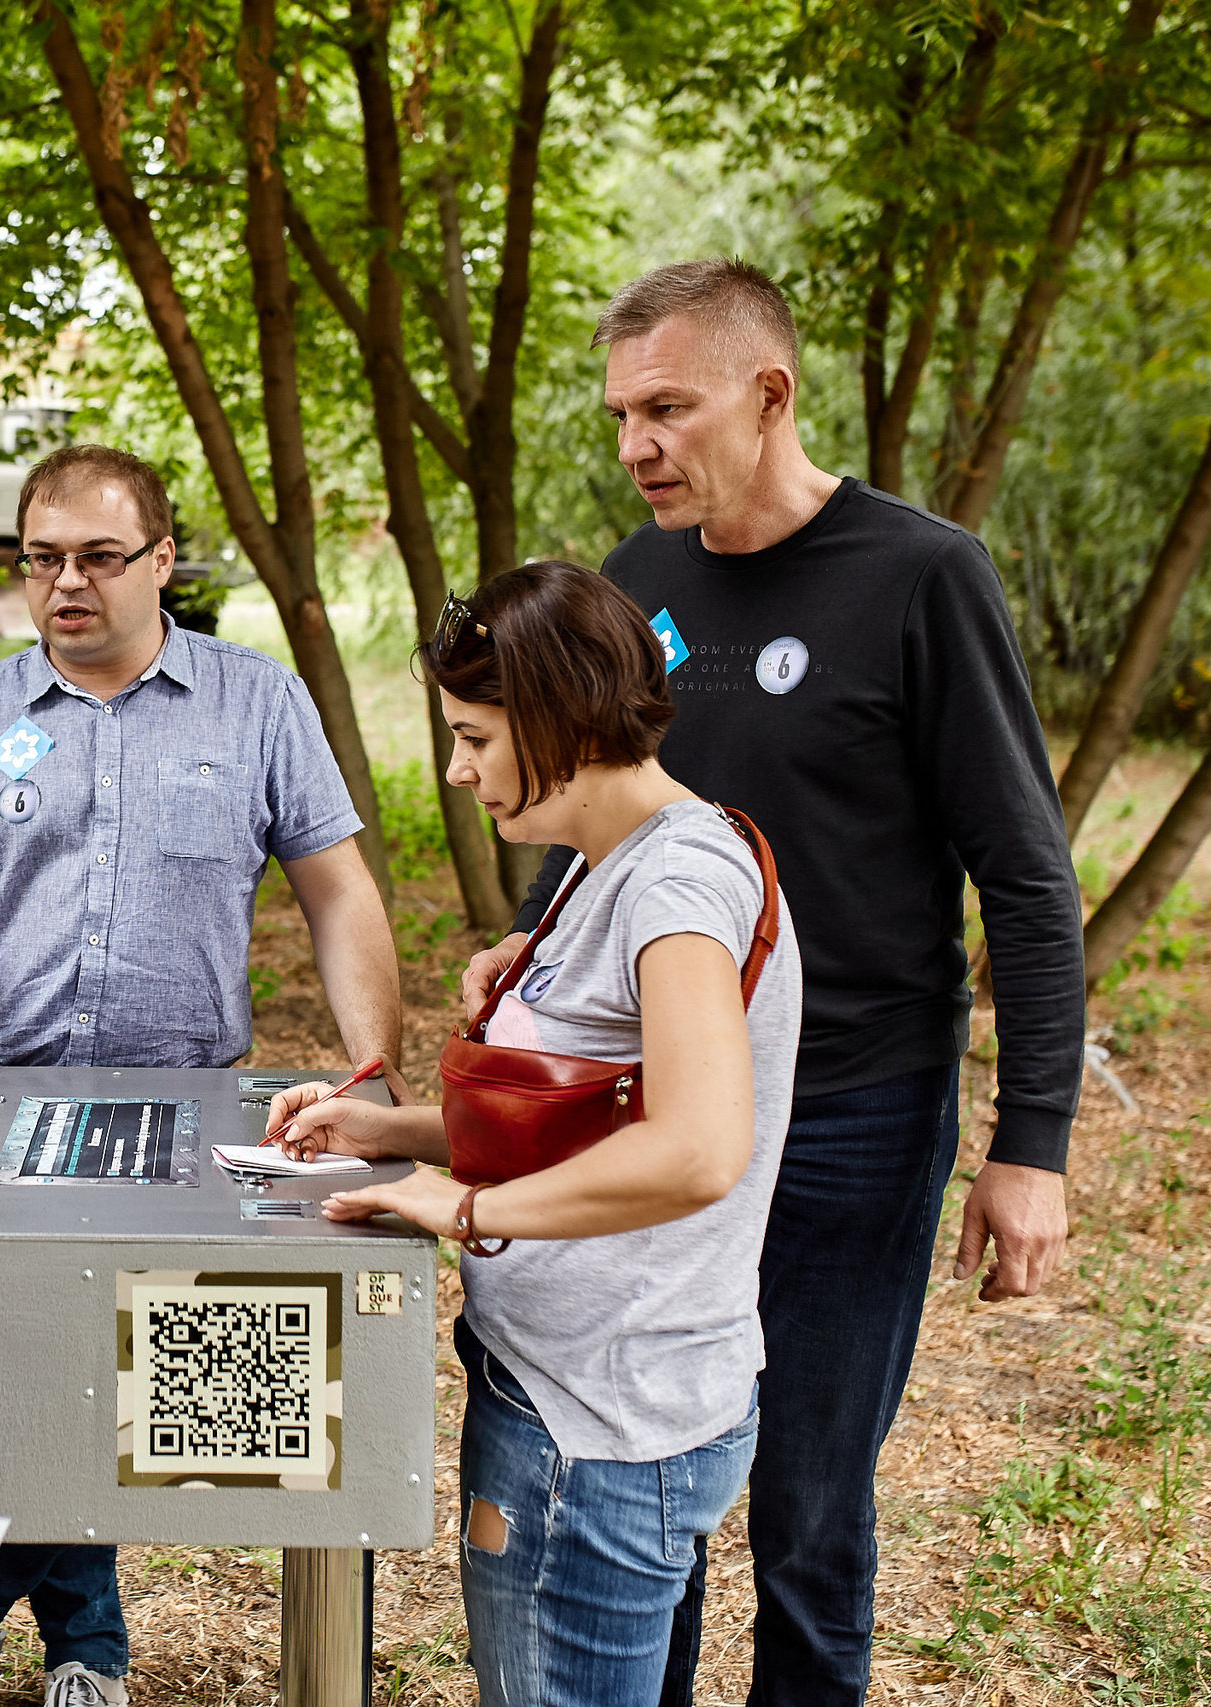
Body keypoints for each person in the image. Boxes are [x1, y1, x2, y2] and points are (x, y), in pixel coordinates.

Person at [462, 260, 1085, 1705]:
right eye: (621, 412)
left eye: (666, 407)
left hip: (856, 1112)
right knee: (636, 1475)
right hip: (659, 1103)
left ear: (771, 392)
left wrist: (1031, 1142)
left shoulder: (922, 574)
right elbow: (606, 793)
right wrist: (539, 931)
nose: (636, 444)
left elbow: (1029, 878)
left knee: (808, 1502)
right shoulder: (641, 574)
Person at [0, 443, 405, 1707]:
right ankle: (89, 1652)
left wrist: (371, 1069)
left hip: (187, 1110)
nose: (66, 584)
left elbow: (338, 893)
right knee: (15, 1365)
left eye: (99, 557)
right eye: (42, 557)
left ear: (162, 559)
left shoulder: (255, 703)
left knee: (127, 1376)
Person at [278, 557, 801, 1704]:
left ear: (560, 716)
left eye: (474, 736)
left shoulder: (673, 888)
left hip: (596, 1430)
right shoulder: (602, 865)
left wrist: (461, 1211)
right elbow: (586, 1116)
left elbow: (696, 1147)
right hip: (585, 1395)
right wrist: (393, 1133)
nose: (457, 769)